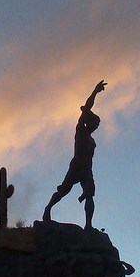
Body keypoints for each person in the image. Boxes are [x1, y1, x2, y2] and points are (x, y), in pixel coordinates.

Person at [43, 80, 107, 229]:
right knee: (64, 190)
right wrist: (95, 91)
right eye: (95, 124)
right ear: (89, 123)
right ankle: (48, 209)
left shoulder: (92, 140)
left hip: (87, 169)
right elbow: (87, 107)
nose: (96, 127)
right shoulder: (81, 131)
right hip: (77, 165)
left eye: (97, 125)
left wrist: (86, 183)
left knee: (90, 195)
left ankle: (88, 225)